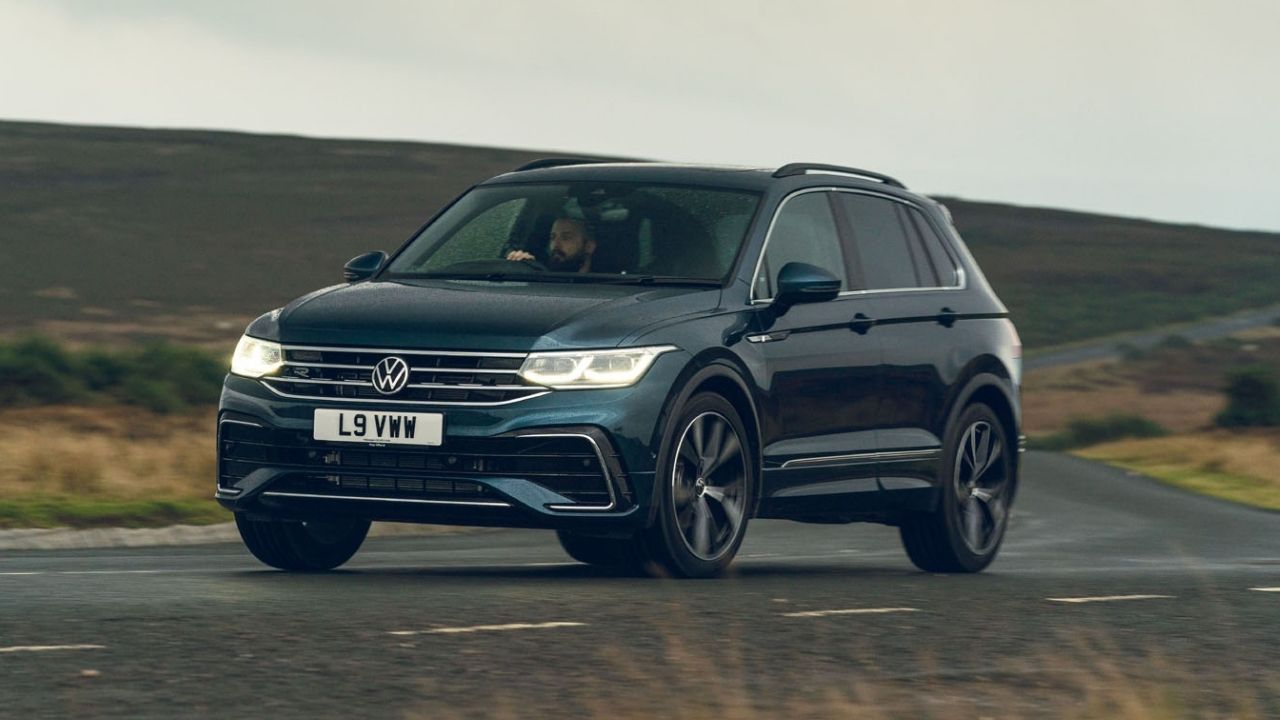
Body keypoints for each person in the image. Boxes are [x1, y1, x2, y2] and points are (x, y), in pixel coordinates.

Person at [506, 216, 597, 273]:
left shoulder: (604, 286)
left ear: (589, 246)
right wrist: (523, 265)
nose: (555, 245)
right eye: (553, 238)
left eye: (566, 238)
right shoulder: (541, 276)